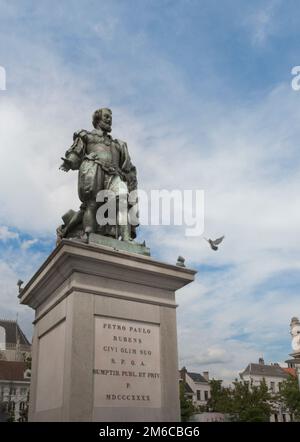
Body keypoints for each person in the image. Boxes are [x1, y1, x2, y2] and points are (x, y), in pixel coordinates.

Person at [59, 108, 138, 241]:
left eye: (110, 118)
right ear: (97, 119)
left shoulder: (117, 144)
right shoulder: (87, 136)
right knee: (92, 204)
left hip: (114, 175)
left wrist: (130, 181)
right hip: (94, 170)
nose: (109, 119)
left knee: (123, 200)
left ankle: (126, 237)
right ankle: (88, 234)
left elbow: (128, 168)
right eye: (106, 117)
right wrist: (70, 162)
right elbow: (76, 151)